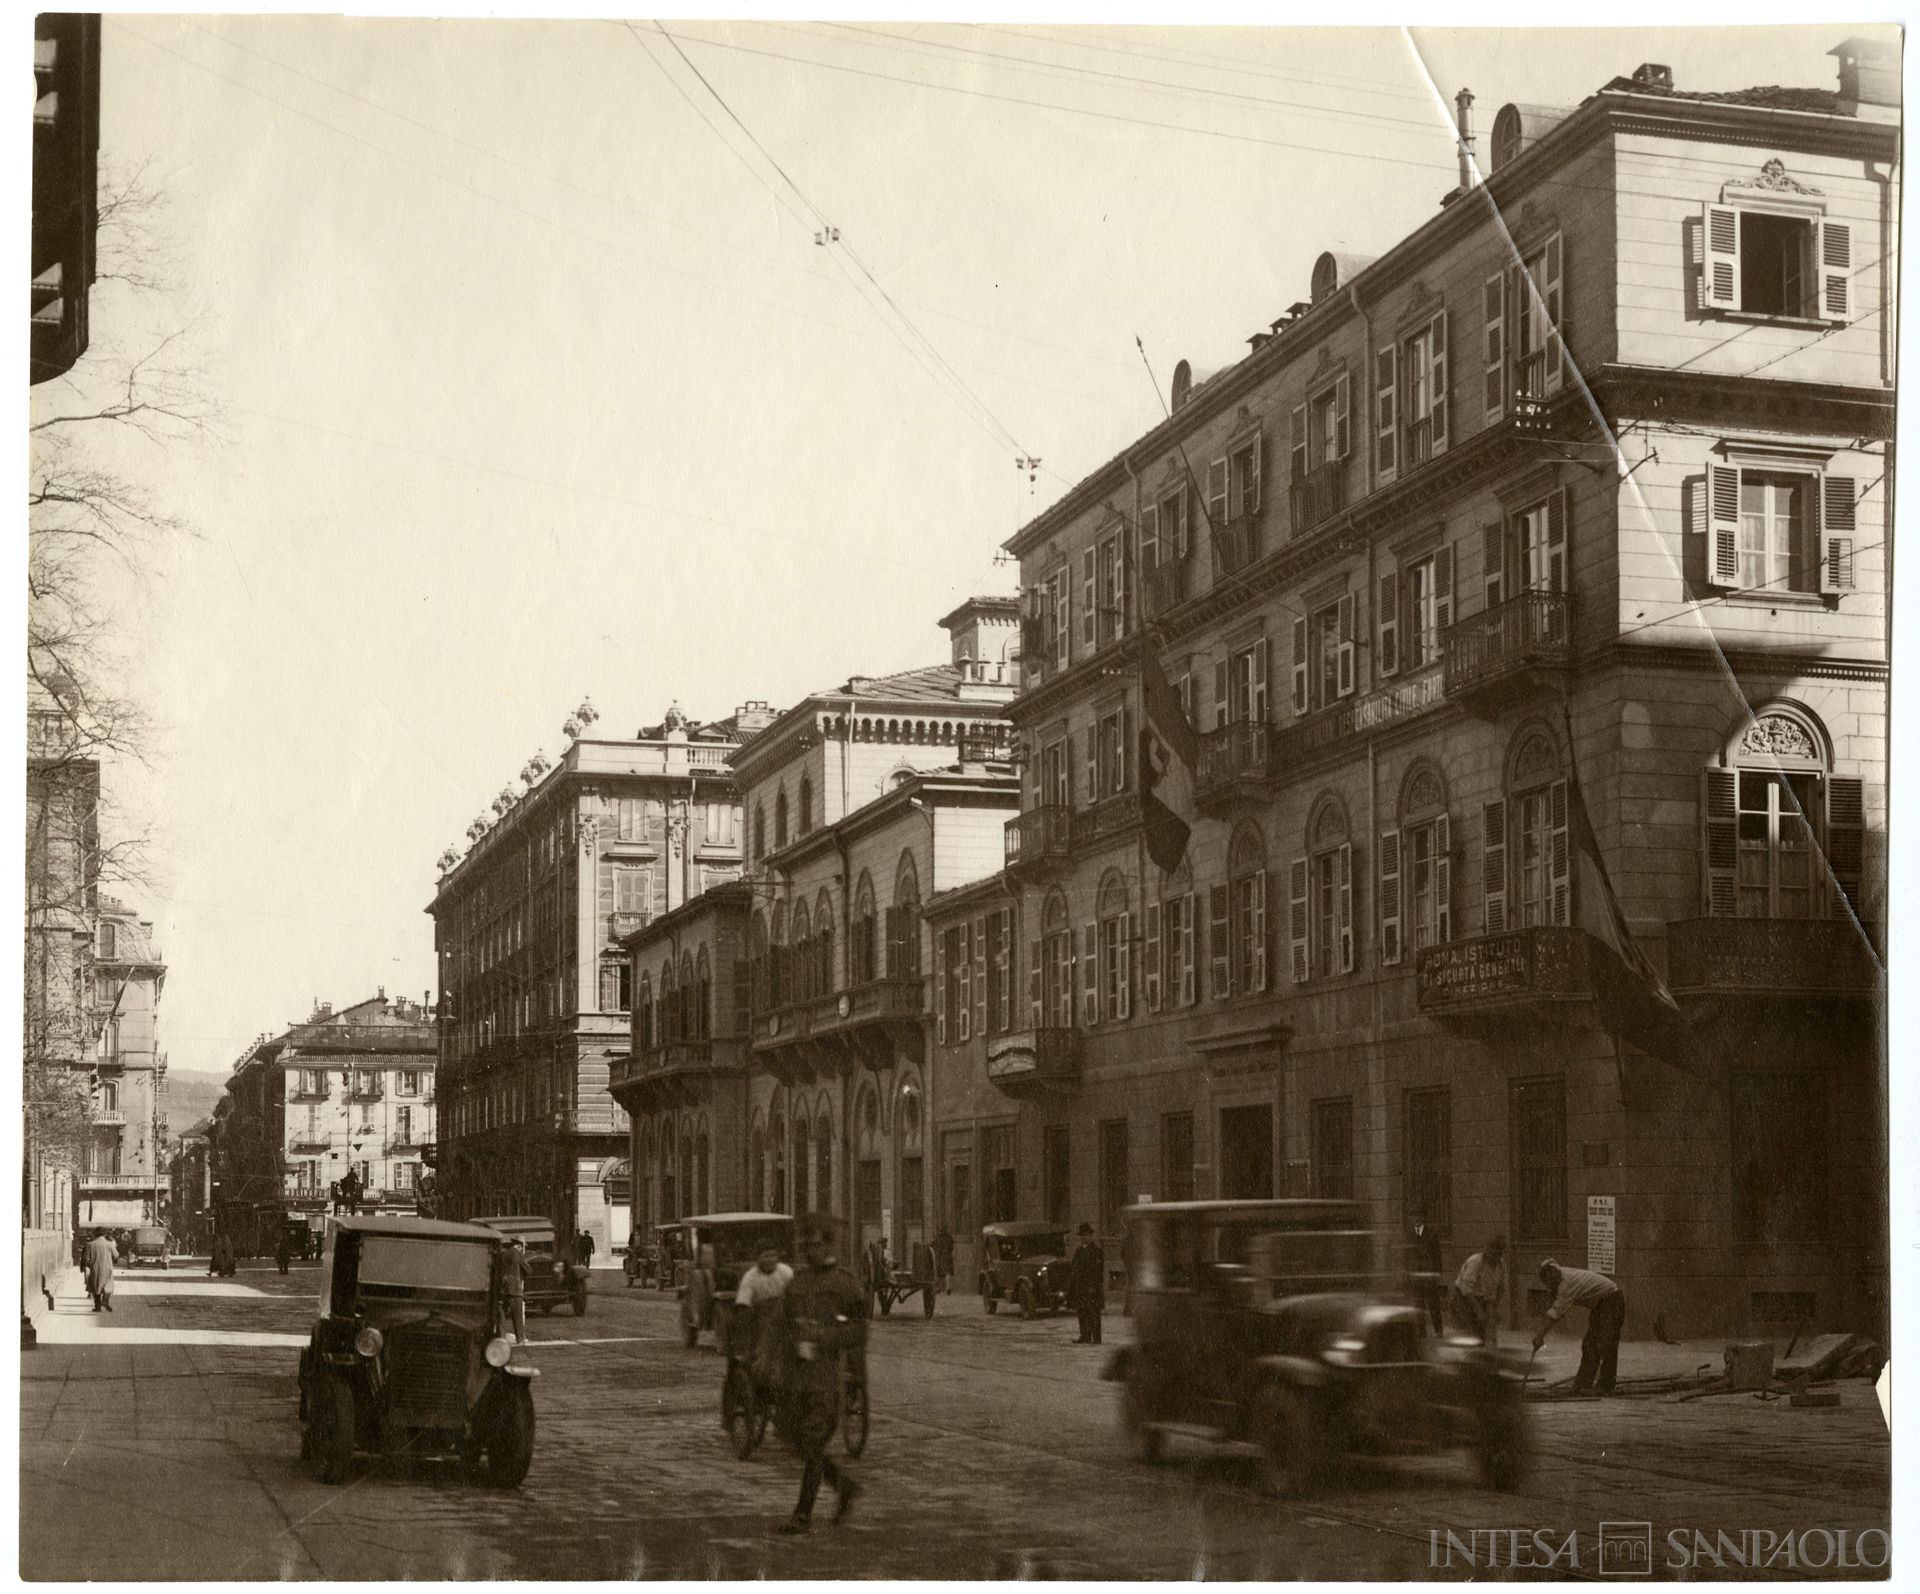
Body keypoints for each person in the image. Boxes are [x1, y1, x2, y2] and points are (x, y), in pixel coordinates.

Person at [775, 1212, 866, 1535]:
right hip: (797, 1379)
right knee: (794, 1440)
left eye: (814, 1244)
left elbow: (858, 1332)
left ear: (828, 1245)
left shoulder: (844, 1283)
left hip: (827, 1379)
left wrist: (825, 1336)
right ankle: (844, 1487)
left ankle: (802, 1515)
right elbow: (783, 1325)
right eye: (805, 1244)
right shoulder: (797, 1282)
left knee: (813, 1442)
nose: (808, 1250)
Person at [1533, 1259, 1625, 1395]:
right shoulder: (1560, 1276)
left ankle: (1606, 1385)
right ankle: (1583, 1383)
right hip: (1600, 1304)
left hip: (1611, 1300)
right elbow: (1553, 1310)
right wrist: (1539, 1334)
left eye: (1550, 1281)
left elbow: (1555, 1314)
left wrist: (1540, 1336)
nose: (1550, 1285)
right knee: (1589, 1344)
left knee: (1607, 1344)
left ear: (1555, 1274)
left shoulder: (1566, 1284)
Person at [1449, 1236, 1509, 1346]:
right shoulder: (1475, 1262)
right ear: (1487, 1251)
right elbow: (1466, 1289)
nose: (1495, 1257)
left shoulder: (1501, 1265)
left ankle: (1485, 1349)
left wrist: (1494, 1310)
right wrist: (1479, 1311)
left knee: (1487, 1329)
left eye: (1498, 1254)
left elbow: (1501, 1289)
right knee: (1471, 1333)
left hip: (1484, 1298)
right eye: (1492, 1252)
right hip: (1464, 1298)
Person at [1408, 1208, 1445, 1334]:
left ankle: (1439, 1330)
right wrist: (1406, 1272)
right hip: (1415, 1276)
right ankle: (1421, 1332)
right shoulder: (1408, 1235)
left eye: (1419, 1215)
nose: (1417, 1219)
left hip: (1429, 1275)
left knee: (1434, 1304)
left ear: (1424, 1218)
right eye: (1414, 1216)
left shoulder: (1432, 1234)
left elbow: (1437, 1254)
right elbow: (1405, 1255)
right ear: (1411, 1218)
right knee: (1418, 1305)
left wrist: (1438, 1273)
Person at [1068, 1223, 1105, 1345]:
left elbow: (1098, 1271)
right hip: (1080, 1287)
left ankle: (1096, 1338)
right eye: (1082, 1236)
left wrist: (1094, 1286)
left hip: (1092, 1288)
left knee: (1093, 1313)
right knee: (1082, 1312)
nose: (1084, 1238)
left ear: (1090, 1236)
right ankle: (1084, 1336)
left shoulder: (1096, 1251)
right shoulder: (1079, 1251)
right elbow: (1074, 1267)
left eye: (1086, 1235)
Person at [85, 1228, 117, 1313]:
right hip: (107, 1268)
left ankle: (97, 1307)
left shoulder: (90, 1244)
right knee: (108, 1286)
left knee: (96, 1287)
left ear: (95, 1234)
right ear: (104, 1235)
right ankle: (105, 1301)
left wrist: (90, 1264)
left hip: (95, 1268)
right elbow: (116, 1255)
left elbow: (86, 1259)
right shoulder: (110, 1244)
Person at [504, 1238, 529, 1343]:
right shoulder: (518, 1254)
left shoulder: (504, 1253)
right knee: (517, 1315)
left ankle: (500, 1338)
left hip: (503, 1289)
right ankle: (520, 1338)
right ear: (519, 1245)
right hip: (515, 1289)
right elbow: (528, 1270)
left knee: (501, 1317)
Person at [933, 1226, 954, 1296]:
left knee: (939, 1273)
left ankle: (938, 1288)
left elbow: (932, 1245)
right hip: (947, 1257)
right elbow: (951, 1247)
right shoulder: (949, 1238)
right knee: (947, 1273)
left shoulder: (937, 1238)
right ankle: (948, 1288)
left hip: (939, 1257)